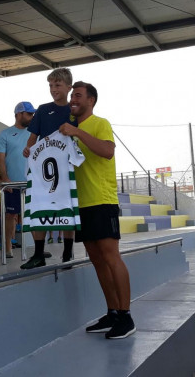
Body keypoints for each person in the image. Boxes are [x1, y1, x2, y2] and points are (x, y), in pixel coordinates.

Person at [59, 81, 135, 339]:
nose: (73, 99)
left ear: (90, 100)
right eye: (72, 96)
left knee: (111, 257)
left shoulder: (100, 123)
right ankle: (113, 312)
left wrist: (78, 133)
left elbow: (107, 151)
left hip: (102, 199)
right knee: (96, 260)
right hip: (82, 204)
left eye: (77, 95)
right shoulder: (71, 130)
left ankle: (126, 316)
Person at [21, 67, 77, 268]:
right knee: (40, 207)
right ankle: (38, 254)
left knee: (66, 208)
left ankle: (68, 252)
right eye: (51, 85)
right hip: (43, 170)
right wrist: (28, 149)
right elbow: (32, 138)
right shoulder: (43, 110)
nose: (53, 89)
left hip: (66, 169)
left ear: (69, 87)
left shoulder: (74, 111)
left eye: (58, 85)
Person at [0, 101, 35, 258]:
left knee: (33, 214)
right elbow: (0, 158)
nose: (32, 117)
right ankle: (8, 247)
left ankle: (38, 248)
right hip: (12, 182)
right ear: (19, 114)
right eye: (29, 114)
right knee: (10, 215)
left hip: (31, 182)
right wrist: (5, 178)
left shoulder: (34, 134)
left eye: (33, 114)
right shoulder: (5, 134)